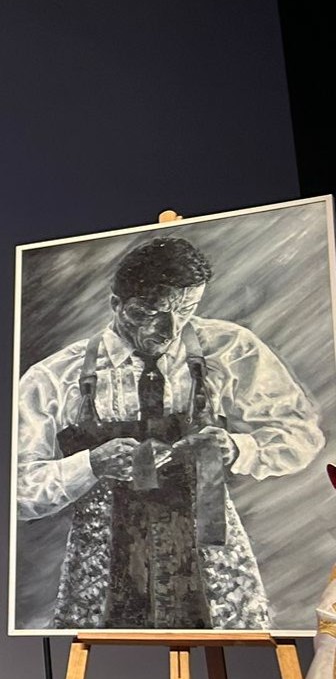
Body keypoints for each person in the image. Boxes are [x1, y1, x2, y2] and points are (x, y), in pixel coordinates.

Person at [16, 235, 323, 629]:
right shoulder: (55, 376)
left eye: (187, 309)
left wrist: (235, 447)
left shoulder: (229, 350)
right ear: (116, 305)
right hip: (105, 565)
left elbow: (299, 433)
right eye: (150, 312)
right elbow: (18, 492)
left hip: (212, 560)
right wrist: (90, 464)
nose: (170, 328)